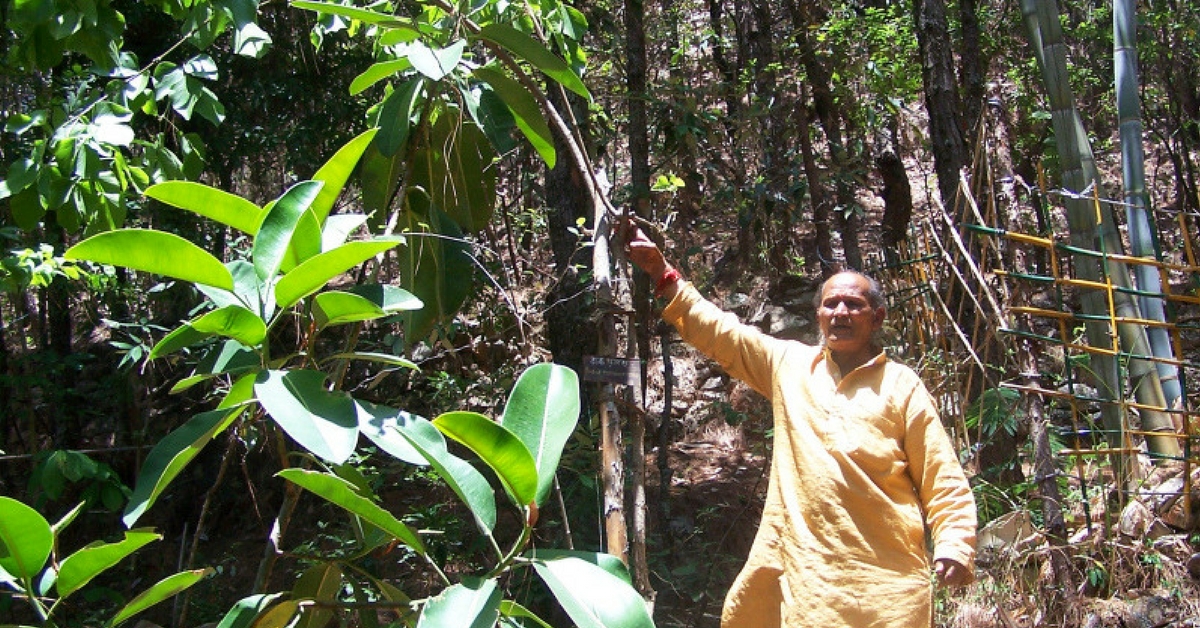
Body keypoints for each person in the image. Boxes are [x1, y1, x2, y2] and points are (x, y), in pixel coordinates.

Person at [625, 224, 977, 628]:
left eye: (853, 304)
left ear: (876, 317)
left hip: (885, 586)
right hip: (804, 576)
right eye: (831, 305)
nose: (840, 313)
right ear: (818, 316)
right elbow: (722, 334)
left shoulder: (902, 385)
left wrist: (954, 542)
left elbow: (942, 476)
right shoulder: (790, 366)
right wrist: (661, 271)